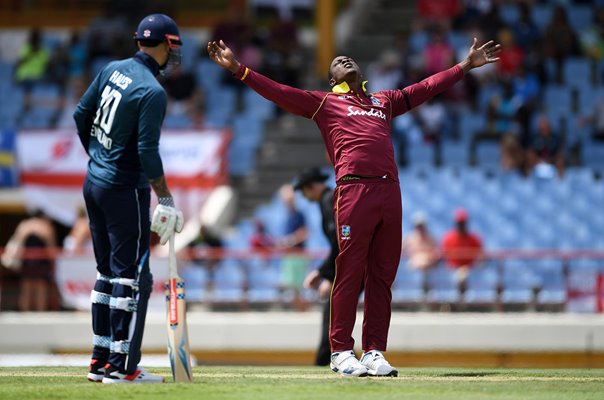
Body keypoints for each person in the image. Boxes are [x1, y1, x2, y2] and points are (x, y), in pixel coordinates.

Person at [208, 35, 500, 377]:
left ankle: (374, 351)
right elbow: (280, 92)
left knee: (381, 277)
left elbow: (425, 88)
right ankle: (341, 352)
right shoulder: (324, 104)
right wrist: (239, 70)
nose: (344, 59)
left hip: (390, 192)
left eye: (348, 58)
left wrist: (464, 66)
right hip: (353, 192)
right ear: (332, 81)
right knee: (349, 272)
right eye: (337, 61)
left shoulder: (383, 101)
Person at [73, 13, 185, 384]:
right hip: (123, 188)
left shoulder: (112, 69)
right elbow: (148, 151)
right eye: (174, 47)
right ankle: (121, 368)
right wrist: (166, 198)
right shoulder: (152, 91)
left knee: (105, 273)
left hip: (94, 183)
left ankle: (99, 360)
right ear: (166, 45)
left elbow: (80, 114)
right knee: (129, 277)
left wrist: (98, 156)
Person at [294, 167, 337, 366]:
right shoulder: (328, 200)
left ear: (310, 187)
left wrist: (325, 274)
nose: (303, 196)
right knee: (334, 310)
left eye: (303, 191)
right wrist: (325, 274)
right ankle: (339, 354)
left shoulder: (329, 201)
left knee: (332, 311)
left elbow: (340, 242)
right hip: (354, 262)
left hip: (356, 264)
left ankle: (325, 358)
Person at [1, 210, 59, 311]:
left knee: (26, 288)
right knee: (40, 288)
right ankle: (39, 314)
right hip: (41, 261)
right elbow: (51, 248)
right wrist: (53, 265)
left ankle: (25, 312)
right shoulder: (45, 227)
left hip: (26, 260)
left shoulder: (24, 225)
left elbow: (16, 243)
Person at [277, 184, 308, 311]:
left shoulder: (298, 215)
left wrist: (290, 240)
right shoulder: (288, 215)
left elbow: (304, 233)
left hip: (297, 255)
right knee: (292, 288)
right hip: (290, 255)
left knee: (296, 287)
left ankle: (303, 310)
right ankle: (301, 310)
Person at [441, 208, 484, 284]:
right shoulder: (448, 238)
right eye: (459, 223)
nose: (461, 226)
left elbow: (481, 255)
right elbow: (444, 255)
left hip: (470, 270)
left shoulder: (473, 238)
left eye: (462, 223)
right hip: (453, 269)